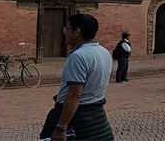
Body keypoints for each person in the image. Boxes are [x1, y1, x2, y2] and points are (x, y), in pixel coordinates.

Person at [38, 13, 113, 141]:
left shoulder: (78, 56)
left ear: (77, 31)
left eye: (67, 28)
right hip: (97, 115)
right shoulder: (104, 52)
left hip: (77, 118)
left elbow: (74, 95)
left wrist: (61, 127)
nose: (64, 32)